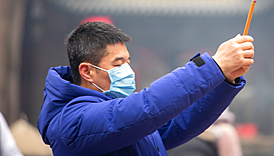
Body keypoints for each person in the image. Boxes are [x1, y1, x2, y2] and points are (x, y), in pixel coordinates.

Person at [37, 21, 254, 156]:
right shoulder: (72, 121)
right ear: (87, 71)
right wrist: (213, 66)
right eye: (118, 63)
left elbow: (179, 123)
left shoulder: (124, 117)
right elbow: (147, 106)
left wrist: (224, 80)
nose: (127, 69)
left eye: (128, 61)